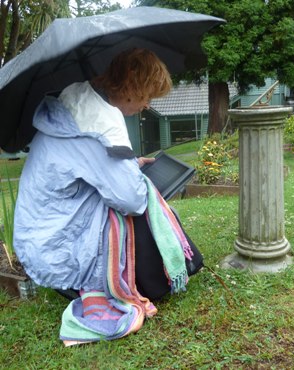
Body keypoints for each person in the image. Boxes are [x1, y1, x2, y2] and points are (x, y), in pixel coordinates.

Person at [13, 48, 202, 346]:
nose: (147, 105)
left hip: (40, 237)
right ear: (130, 86)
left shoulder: (74, 111)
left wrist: (131, 164)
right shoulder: (99, 124)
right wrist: (134, 177)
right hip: (58, 253)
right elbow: (131, 199)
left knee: (143, 204)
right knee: (144, 214)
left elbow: (86, 166)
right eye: (146, 95)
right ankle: (167, 275)